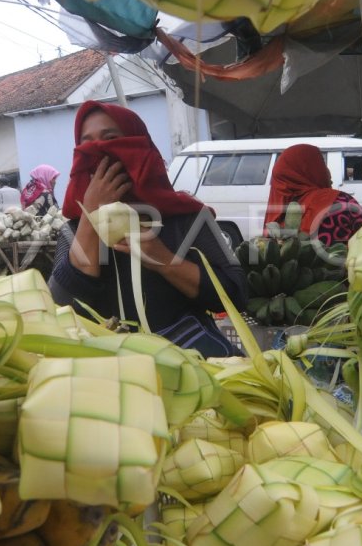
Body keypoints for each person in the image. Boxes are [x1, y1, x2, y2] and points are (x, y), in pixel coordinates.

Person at [49, 100, 247, 357]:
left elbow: (236, 294)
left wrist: (164, 260)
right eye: (87, 143)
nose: (97, 150)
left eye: (110, 138)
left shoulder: (186, 217)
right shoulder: (75, 229)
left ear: (138, 143)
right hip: (108, 372)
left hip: (189, 366)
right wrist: (90, 218)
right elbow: (57, 309)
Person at [265, 144, 362, 246]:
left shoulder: (275, 215)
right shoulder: (340, 202)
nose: (328, 171)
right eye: (321, 163)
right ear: (311, 169)